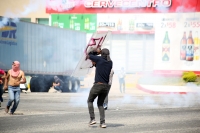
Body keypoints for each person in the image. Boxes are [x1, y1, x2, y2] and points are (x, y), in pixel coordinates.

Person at [87, 48, 112, 128]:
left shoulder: (99, 59)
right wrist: (100, 53)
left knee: (90, 100)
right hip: (106, 87)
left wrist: (96, 51)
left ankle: (92, 119)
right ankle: (102, 123)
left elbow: (89, 55)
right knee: (100, 104)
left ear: (102, 54)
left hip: (98, 85)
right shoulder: (110, 62)